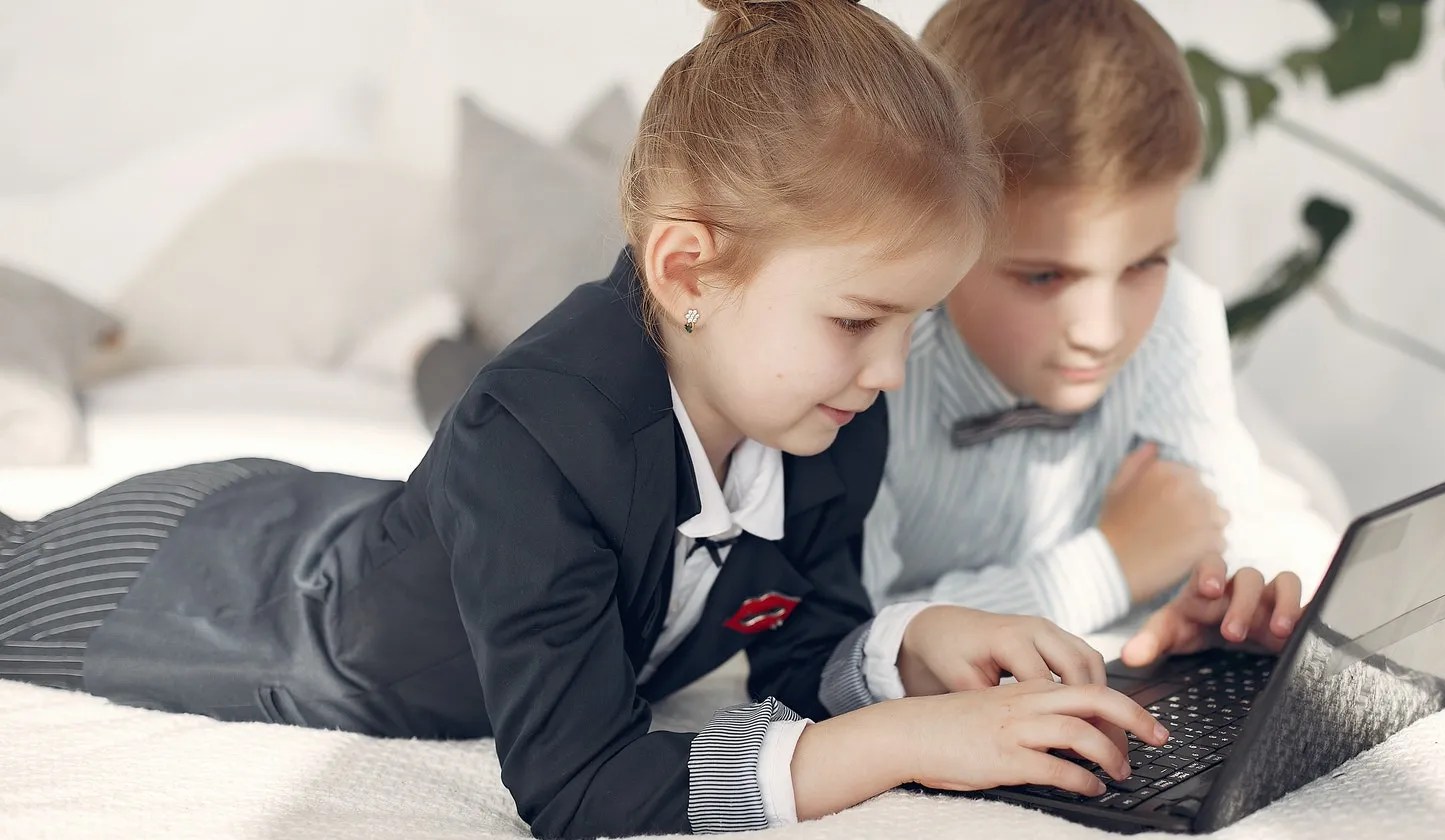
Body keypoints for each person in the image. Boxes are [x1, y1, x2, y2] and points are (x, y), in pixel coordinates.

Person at [0, 2, 1169, 837]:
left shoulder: (826, 403)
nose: (893, 374)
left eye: (909, 325)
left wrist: (905, 648)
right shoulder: (539, 432)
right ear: (689, 271)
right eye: (861, 319)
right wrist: (906, 746)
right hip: (217, 589)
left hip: (393, 530)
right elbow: (576, 788)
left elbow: (794, 640)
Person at [864, 0, 1340, 663]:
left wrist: (1239, 591)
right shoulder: (873, 365)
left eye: (1145, 264)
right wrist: (1111, 564)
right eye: (1044, 278)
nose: (1101, 332)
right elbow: (851, 641)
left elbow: (1219, 519)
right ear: (936, 231)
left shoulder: (1178, 318)